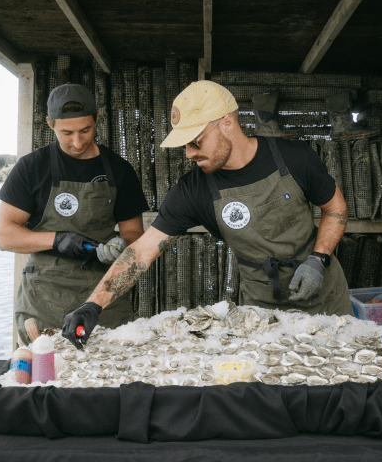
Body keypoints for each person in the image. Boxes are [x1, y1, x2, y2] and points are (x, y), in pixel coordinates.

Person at [61, 80, 351, 348]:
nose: (188, 153)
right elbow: (141, 252)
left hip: (325, 294)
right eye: (184, 144)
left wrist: (318, 258)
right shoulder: (193, 190)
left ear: (226, 123)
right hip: (261, 308)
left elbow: (334, 208)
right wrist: (93, 305)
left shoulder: (295, 157)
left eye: (195, 141)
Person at [0, 82, 149, 345]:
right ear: (50, 123)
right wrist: (56, 239)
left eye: (85, 130)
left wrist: (121, 245)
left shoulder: (119, 170)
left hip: (103, 293)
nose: (77, 142)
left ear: (97, 118)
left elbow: (134, 234)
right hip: (46, 295)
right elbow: (5, 236)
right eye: (66, 132)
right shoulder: (31, 168)